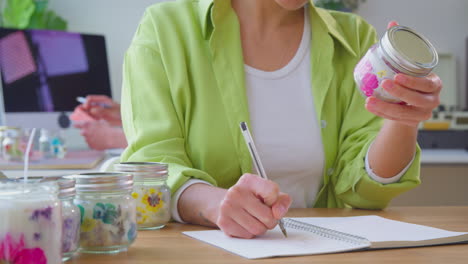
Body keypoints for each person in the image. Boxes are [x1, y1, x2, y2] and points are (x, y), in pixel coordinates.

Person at [120, 0, 442, 239]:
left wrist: (403, 118)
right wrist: (216, 204)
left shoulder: (353, 37)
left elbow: (364, 191)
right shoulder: (164, 29)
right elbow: (152, 166)